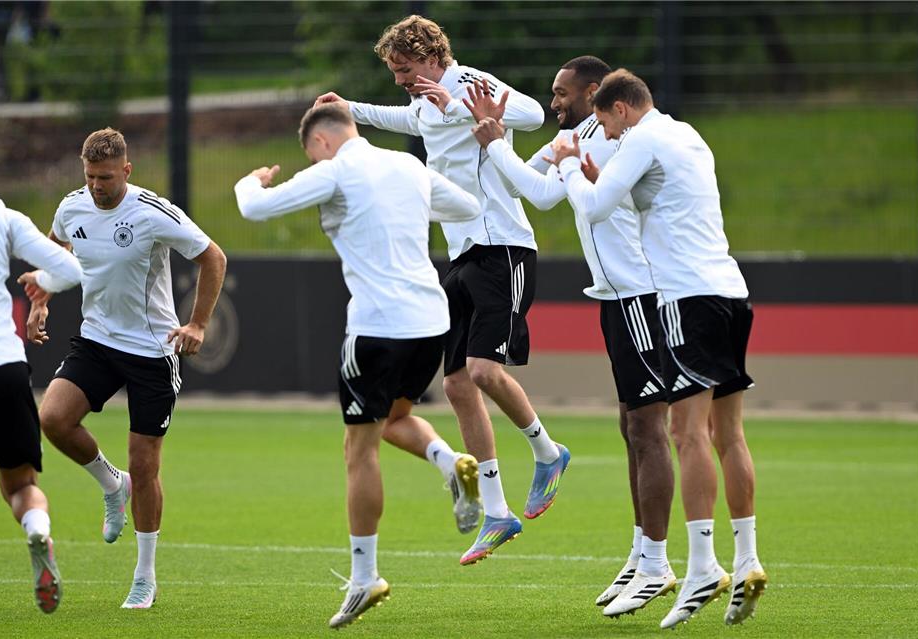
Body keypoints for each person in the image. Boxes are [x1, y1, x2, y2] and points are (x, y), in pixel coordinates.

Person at [315, 14, 570, 566]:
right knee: (456, 385)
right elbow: (406, 116)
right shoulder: (424, 98)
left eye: (406, 69)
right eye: (394, 72)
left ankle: (547, 453)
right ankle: (498, 512)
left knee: (482, 370)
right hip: (460, 253)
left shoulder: (467, 83)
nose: (402, 79)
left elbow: (528, 113)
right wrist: (348, 110)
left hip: (504, 245)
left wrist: (459, 104)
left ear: (432, 56)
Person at [233, 103, 482, 628]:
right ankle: (450, 464)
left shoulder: (336, 169)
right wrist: (404, 209)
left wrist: (248, 182)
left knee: (358, 448)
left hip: (376, 326)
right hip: (430, 323)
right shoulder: (408, 167)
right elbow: (464, 207)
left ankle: (365, 577)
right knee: (394, 419)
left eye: (310, 154)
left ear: (320, 142)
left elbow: (256, 209)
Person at [548, 69, 767, 628]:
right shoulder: (687, 134)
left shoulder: (640, 137)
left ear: (622, 108)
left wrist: (572, 163)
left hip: (685, 297)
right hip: (731, 291)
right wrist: (601, 178)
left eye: (605, 123)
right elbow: (655, 201)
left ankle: (699, 568)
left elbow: (594, 209)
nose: (608, 136)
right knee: (729, 433)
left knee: (685, 433)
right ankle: (746, 560)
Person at [467, 56, 676, 615]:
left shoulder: (609, 139)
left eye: (561, 93)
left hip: (641, 295)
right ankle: (641, 553)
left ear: (593, 92)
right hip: (616, 297)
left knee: (650, 427)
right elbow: (527, 183)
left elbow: (539, 194)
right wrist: (491, 139)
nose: (553, 102)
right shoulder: (581, 133)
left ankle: (657, 562)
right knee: (632, 423)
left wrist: (497, 143)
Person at [23, 128, 227, 610]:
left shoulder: (153, 212)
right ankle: (111, 484)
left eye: (107, 178)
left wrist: (197, 323)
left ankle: (144, 575)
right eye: (91, 176)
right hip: (96, 339)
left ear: (127, 171)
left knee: (146, 465)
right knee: (52, 419)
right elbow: (55, 254)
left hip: (152, 351)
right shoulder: (72, 205)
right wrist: (42, 301)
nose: (98, 186)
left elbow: (213, 257)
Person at [0, 193, 83, 613]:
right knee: (21, 486)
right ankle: (37, 529)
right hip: (4, 367)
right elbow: (69, 269)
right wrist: (43, 283)